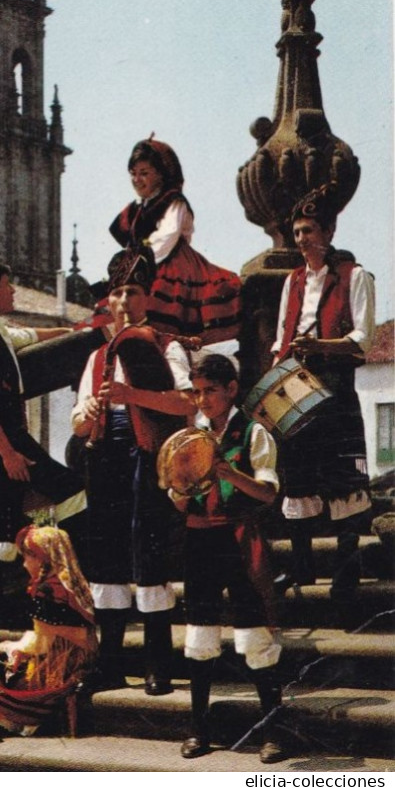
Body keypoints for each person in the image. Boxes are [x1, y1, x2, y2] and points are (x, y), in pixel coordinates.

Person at [71, 246, 194, 693]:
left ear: (147, 298)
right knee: (106, 554)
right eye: (118, 293)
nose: (124, 301)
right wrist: (86, 412)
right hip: (105, 454)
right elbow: (80, 421)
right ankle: (110, 663)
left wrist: (131, 395)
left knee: (148, 549)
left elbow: (186, 403)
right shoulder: (96, 357)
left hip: (149, 453)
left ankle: (157, 664)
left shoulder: (167, 345)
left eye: (133, 292)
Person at [168, 355, 284, 764]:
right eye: (196, 392)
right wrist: (179, 488)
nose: (202, 400)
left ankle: (272, 732)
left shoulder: (253, 433)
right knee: (199, 636)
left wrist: (225, 472)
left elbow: (268, 494)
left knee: (255, 637)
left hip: (239, 539)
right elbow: (179, 497)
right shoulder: (189, 436)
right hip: (200, 540)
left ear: (231, 389)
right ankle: (198, 729)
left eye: (210, 391)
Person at [0, 260, 86, 623]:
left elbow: (28, 336)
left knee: (4, 519)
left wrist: (71, 331)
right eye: (7, 284)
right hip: (1, 444)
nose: (14, 290)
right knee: (60, 495)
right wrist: (8, 455)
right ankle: (7, 604)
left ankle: (8, 604)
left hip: (11, 441)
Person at [271, 185, 374, 614]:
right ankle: (301, 565)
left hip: (335, 387)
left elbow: (363, 341)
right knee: (296, 478)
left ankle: (346, 574)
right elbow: (280, 337)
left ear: (329, 231)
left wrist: (321, 347)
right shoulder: (292, 281)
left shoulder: (356, 276)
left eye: (309, 230)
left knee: (343, 483)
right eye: (296, 232)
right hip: (297, 388)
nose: (302, 239)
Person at [0, 524, 98, 739]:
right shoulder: (74, 583)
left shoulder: (48, 591)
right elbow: (52, 633)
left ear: (42, 558)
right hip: (81, 662)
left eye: (27, 557)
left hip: (59, 669)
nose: (23, 564)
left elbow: (41, 645)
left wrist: (2, 647)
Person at [109, 136, 241, 345]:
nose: (137, 180)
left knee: (162, 311)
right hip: (140, 263)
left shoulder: (173, 201)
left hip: (170, 262)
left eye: (144, 174)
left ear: (160, 175)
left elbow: (167, 236)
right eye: (133, 174)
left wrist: (140, 261)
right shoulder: (136, 208)